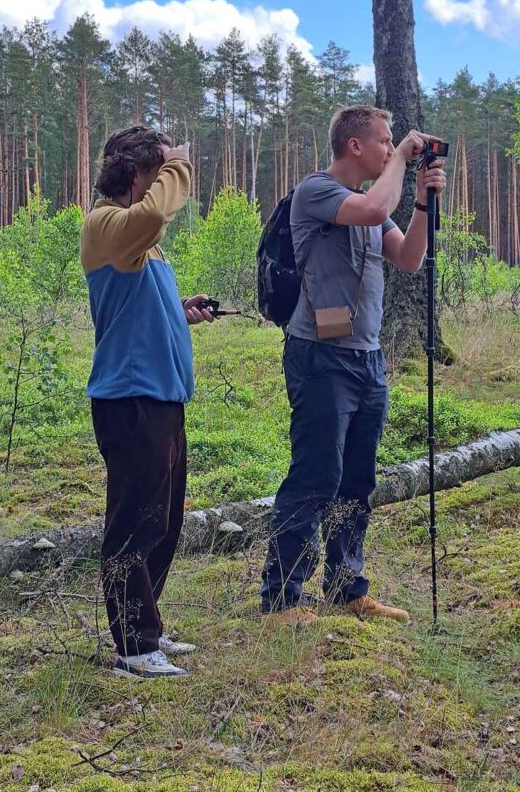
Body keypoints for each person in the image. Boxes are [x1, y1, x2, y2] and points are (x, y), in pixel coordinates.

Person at [261, 105, 447, 626]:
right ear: (355, 145)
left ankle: (346, 589)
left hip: (368, 359)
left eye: (394, 143)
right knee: (316, 474)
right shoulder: (317, 192)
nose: (391, 149)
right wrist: (403, 161)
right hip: (319, 358)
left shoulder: (373, 205)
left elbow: (409, 257)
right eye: (385, 141)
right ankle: (282, 599)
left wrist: (422, 202)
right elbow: (370, 208)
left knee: (358, 480)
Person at [81, 125, 215, 678]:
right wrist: (178, 161)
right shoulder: (105, 223)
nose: (168, 180)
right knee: (134, 523)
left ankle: (146, 627)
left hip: (160, 395)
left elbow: (129, 306)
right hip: (130, 397)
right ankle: (134, 647)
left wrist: (179, 310)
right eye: (159, 171)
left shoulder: (137, 239)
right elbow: (157, 213)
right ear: (138, 174)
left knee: (162, 520)